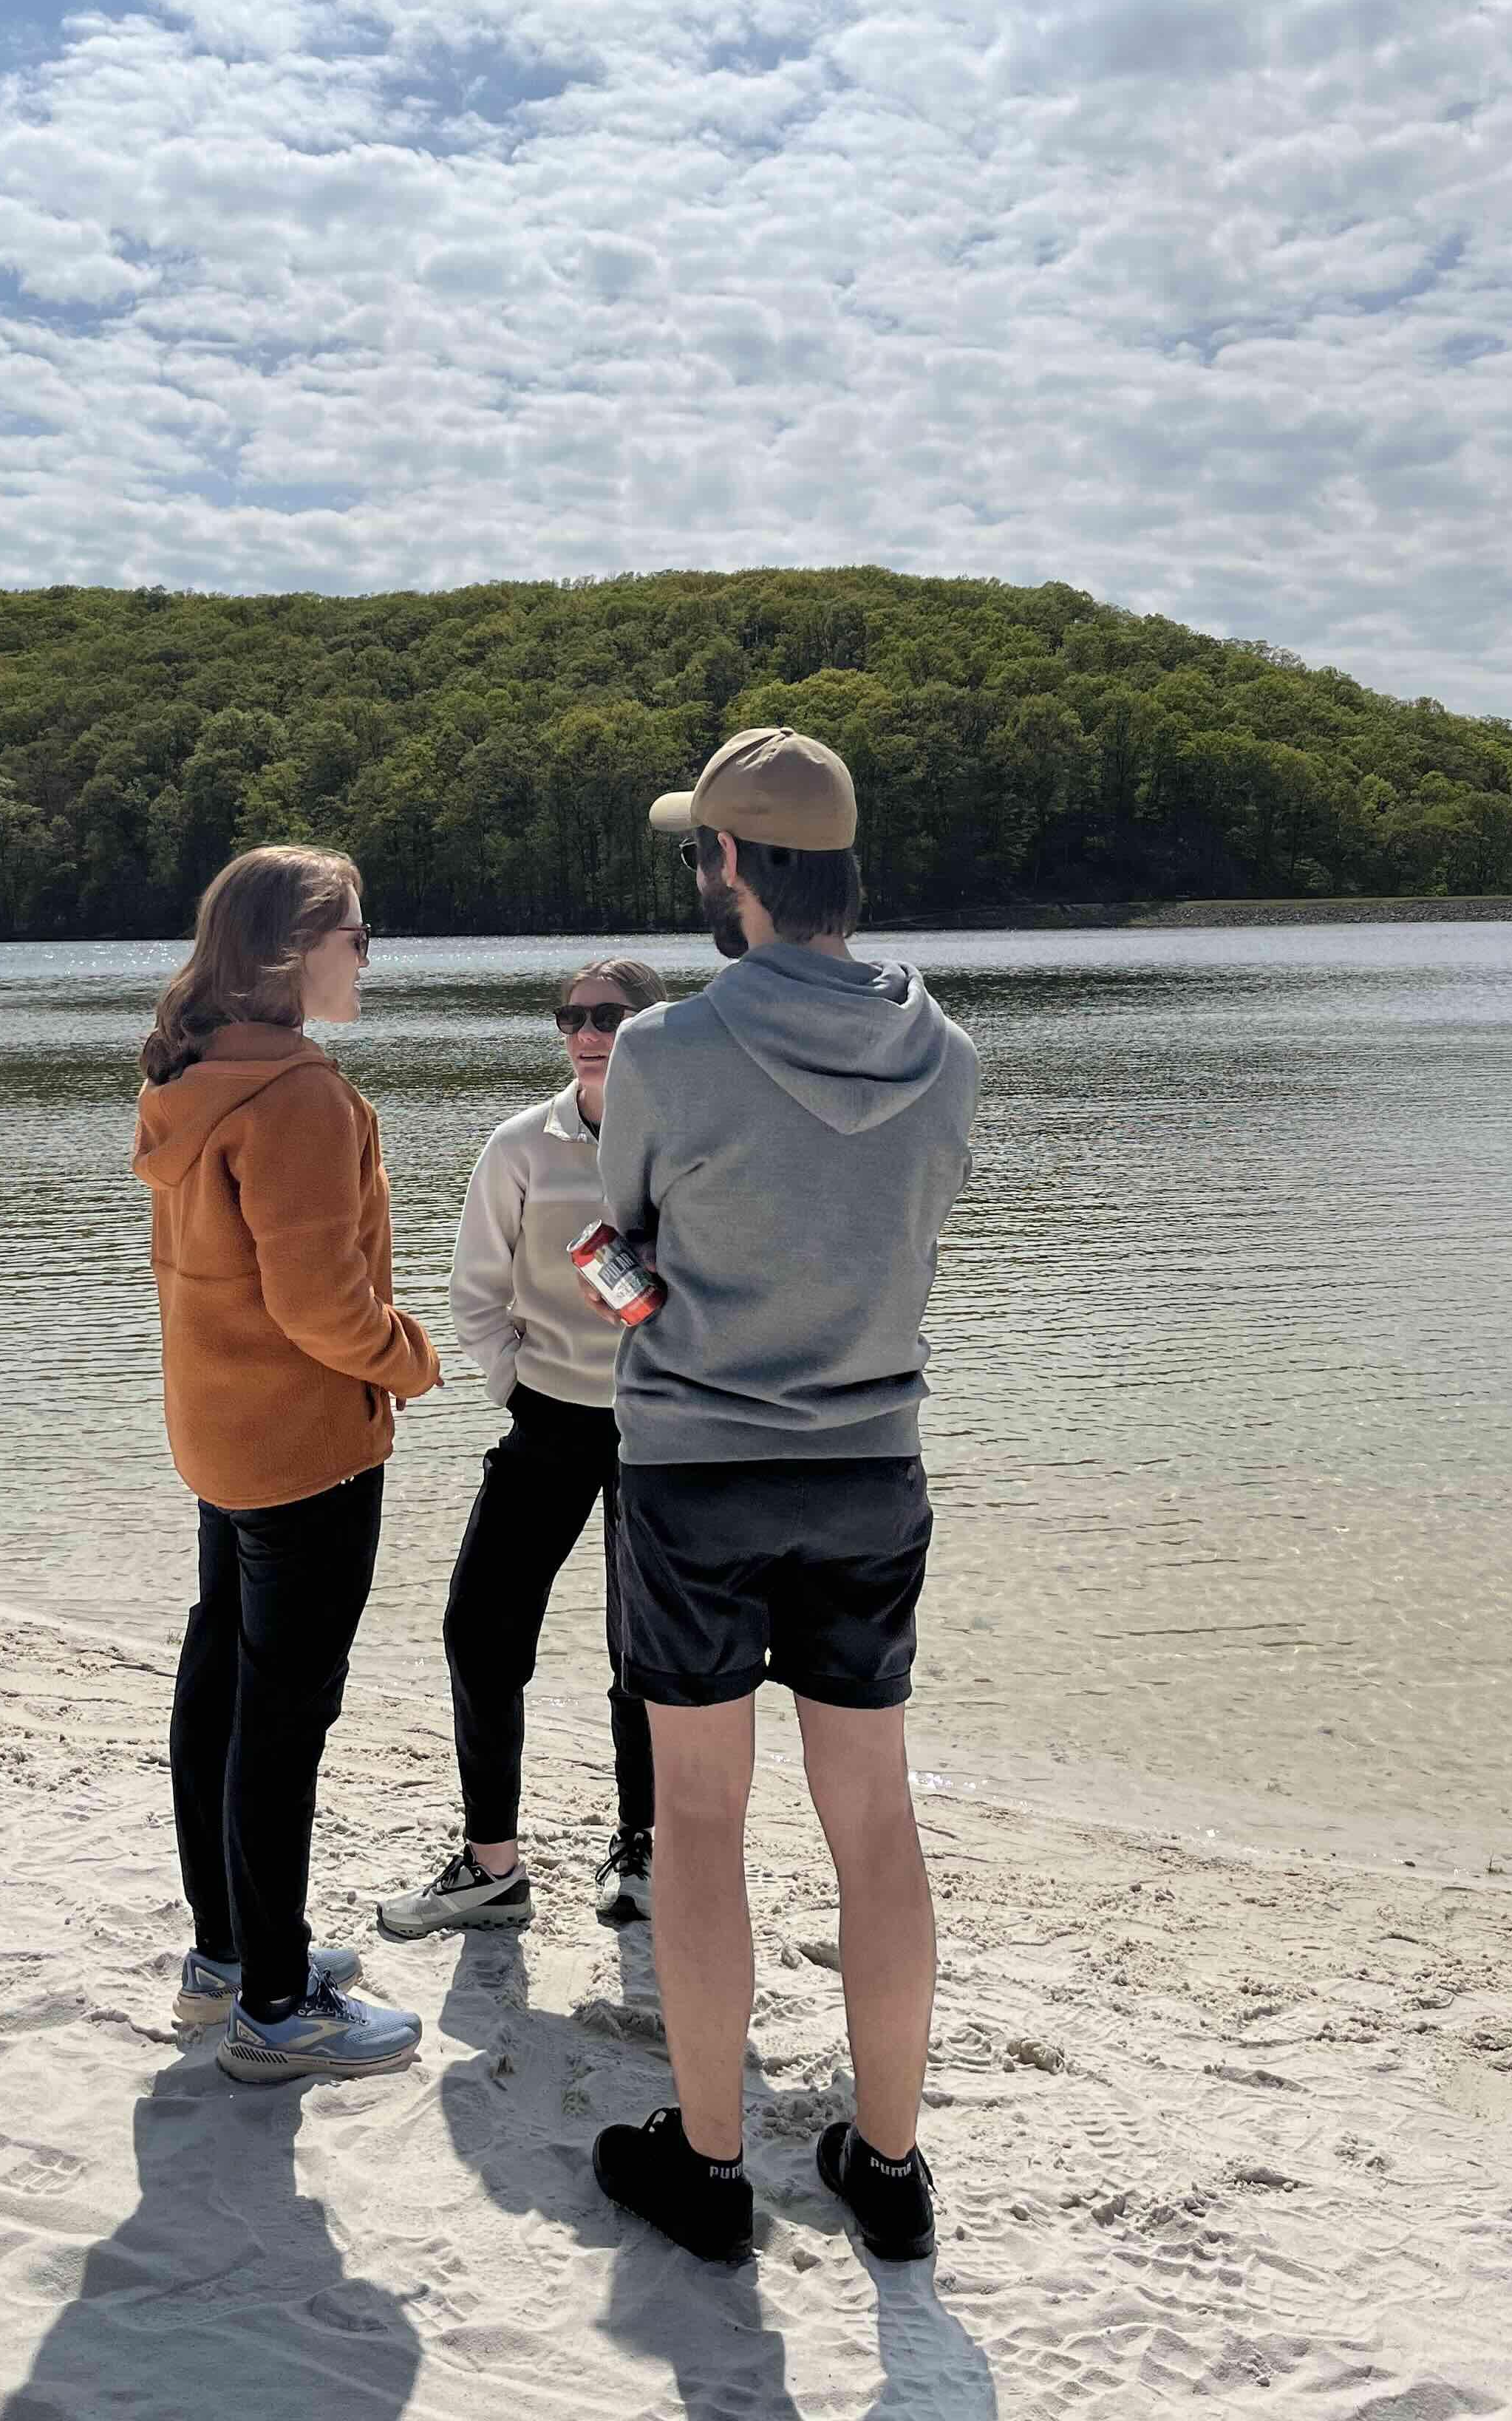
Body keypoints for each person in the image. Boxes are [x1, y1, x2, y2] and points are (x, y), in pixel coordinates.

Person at [585, 727, 978, 2265]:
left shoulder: (667, 1052)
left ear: (735, 866)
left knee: (700, 1819)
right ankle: (888, 2167)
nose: (700, 873)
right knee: (873, 1817)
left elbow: (616, 1260)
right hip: (872, 1467)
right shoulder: (951, 1053)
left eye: (703, 851)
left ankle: (709, 2167)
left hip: (696, 1472)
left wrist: (648, 1301)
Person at [134, 844, 442, 2085]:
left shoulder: (194, 1075)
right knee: (281, 1718)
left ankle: (226, 1954)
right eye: (355, 934)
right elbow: (324, 1307)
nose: (367, 955)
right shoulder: (298, 1097)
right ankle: (272, 2001)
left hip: (218, 1430)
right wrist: (411, 1362)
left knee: (223, 1679)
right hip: (305, 1443)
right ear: (287, 951)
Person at [377, 959, 667, 1944]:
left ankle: (643, 1848)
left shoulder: (683, 1141)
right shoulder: (520, 1146)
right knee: (479, 1631)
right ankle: (494, 1868)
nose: (587, 1032)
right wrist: (515, 1386)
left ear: (651, 1026)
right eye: (571, 1017)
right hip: (546, 1418)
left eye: (609, 1016)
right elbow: (474, 1293)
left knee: (647, 1649)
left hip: (660, 1429)